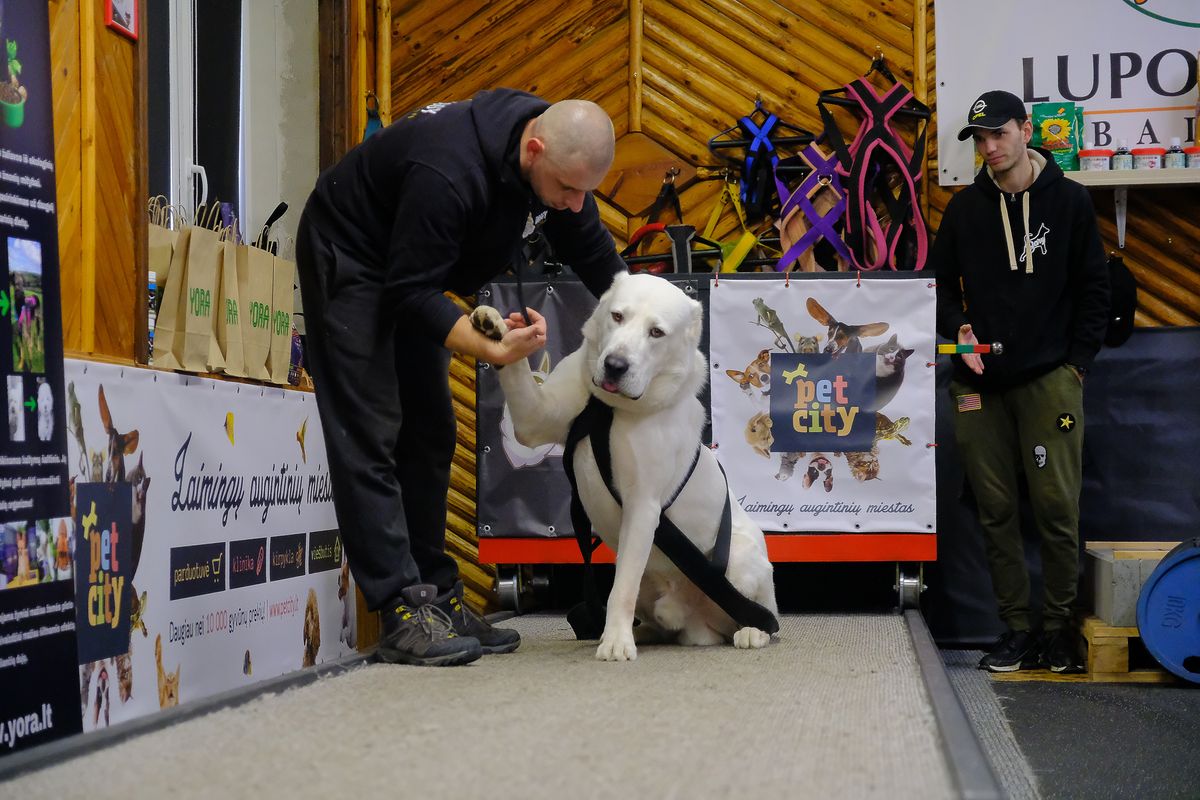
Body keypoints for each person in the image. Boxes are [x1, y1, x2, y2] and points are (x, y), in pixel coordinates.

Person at [296, 90, 626, 666]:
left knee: (431, 430)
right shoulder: (449, 169)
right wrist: (491, 349)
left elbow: (599, 257)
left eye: (586, 193)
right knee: (370, 429)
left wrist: (651, 322)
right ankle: (402, 607)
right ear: (534, 148)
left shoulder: (560, 168)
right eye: (569, 191)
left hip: (413, 269)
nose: (576, 205)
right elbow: (409, 292)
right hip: (351, 255)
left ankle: (439, 597)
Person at [931, 90, 1110, 674]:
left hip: (1050, 378)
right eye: (979, 140)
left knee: (1058, 506)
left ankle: (1058, 629)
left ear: (1026, 129)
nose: (989, 148)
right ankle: (1014, 629)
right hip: (979, 384)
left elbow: (1095, 289)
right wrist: (959, 333)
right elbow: (939, 288)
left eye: (998, 135)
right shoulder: (964, 210)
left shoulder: (1072, 203)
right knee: (995, 509)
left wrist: (1076, 363)